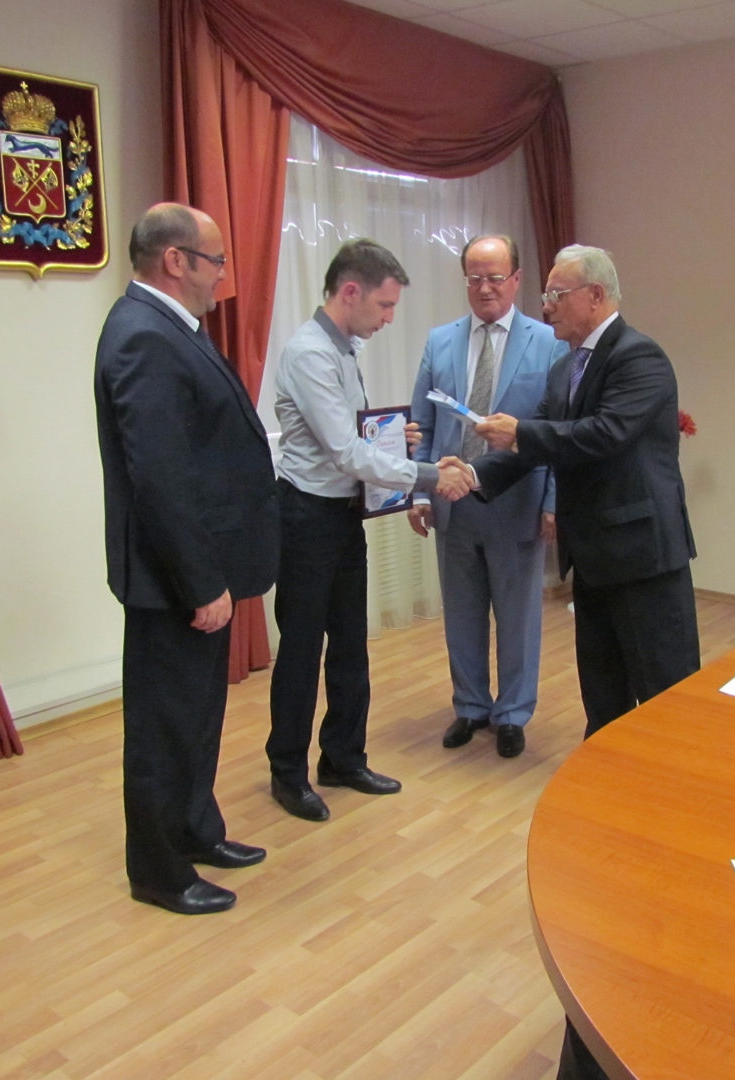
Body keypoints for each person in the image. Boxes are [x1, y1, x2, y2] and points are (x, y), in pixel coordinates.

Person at [472, 244, 700, 1077]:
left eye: (557, 294)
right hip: (595, 561)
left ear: (595, 296)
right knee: (605, 701)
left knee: (667, 703)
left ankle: (679, 835)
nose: (546, 305)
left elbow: (600, 438)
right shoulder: (568, 365)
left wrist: (522, 431)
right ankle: (615, 824)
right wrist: (476, 475)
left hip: (645, 557)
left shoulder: (639, 357)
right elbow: (538, 447)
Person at [94, 203, 279, 915]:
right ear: (176, 261)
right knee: (164, 729)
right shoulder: (143, 335)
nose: (222, 277)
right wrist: (200, 582)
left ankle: (197, 829)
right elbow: (161, 477)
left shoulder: (171, 328)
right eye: (216, 261)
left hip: (199, 568)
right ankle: (160, 871)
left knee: (197, 717)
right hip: (173, 580)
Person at [268, 238, 472, 822]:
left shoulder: (342, 348)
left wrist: (393, 438)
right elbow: (343, 452)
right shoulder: (309, 353)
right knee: (302, 651)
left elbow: (351, 437)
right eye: (384, 305)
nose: (389, 319)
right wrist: (429, 474)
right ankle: (288, 773)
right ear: (350, 291)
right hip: (306, 517)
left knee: (350, 643)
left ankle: (343, 758)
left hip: (340, 515)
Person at [408, 235, 567, 758]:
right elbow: (422, 425)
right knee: (462, 614)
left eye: (495, 277)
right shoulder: (440, 342)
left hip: (518, 502)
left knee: (518, 618)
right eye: (474, 278)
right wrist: (420, 493)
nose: (484, 288)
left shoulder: (548, 342)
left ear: (517, 279)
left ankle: (513, 713)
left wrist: (553, 502)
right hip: (451, 502)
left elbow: (557, 431)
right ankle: (471, 705)